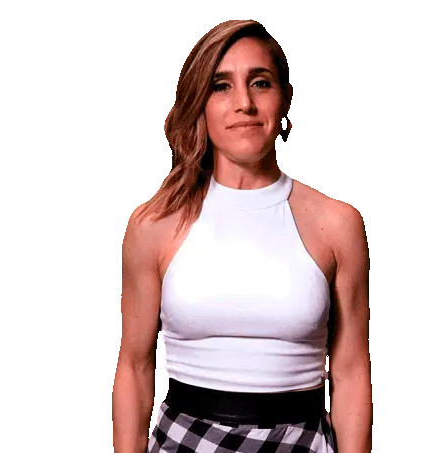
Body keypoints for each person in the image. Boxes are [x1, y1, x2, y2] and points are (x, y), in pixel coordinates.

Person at [112, 19, 371, 453]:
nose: (244, 104)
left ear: (285, 103)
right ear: (200, 104)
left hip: (302, 443)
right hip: (183, 443)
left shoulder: (337, 224)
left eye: (260, 83)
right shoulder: (154, 224)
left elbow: (352, 373)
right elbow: (134, 370)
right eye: (221, 86)